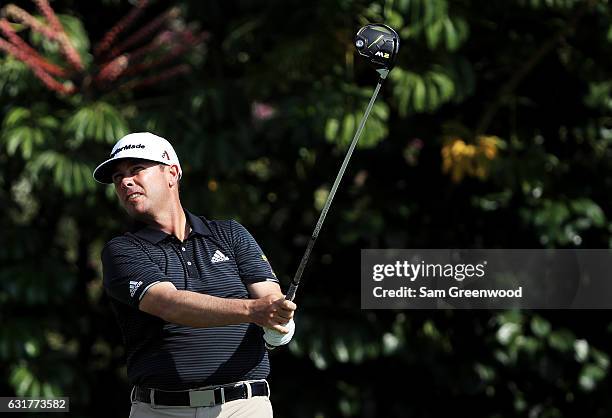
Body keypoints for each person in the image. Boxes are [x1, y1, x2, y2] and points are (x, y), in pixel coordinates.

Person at [93, 132, 296, 417]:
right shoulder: (123, 251)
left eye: (137, 170)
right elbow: (168, 304)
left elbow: (270, 301)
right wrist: (254, 310)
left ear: (172, 174)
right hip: (160, 410)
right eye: (118, 177)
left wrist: (278, 321)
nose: (125, 181)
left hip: (242, 407)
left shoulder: (231, 234)